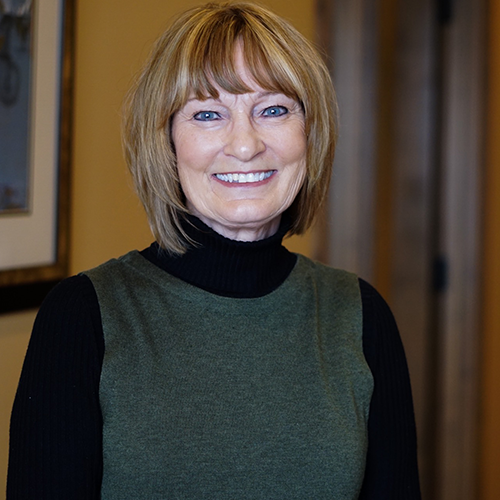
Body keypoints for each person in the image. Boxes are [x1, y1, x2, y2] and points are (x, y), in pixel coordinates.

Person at [7, 3, 420, 499]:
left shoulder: (360, 316)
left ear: (311, 132)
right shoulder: (82, 317)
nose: (244, 145)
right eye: (207, 114)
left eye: (273, 110)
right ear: (166, 141)